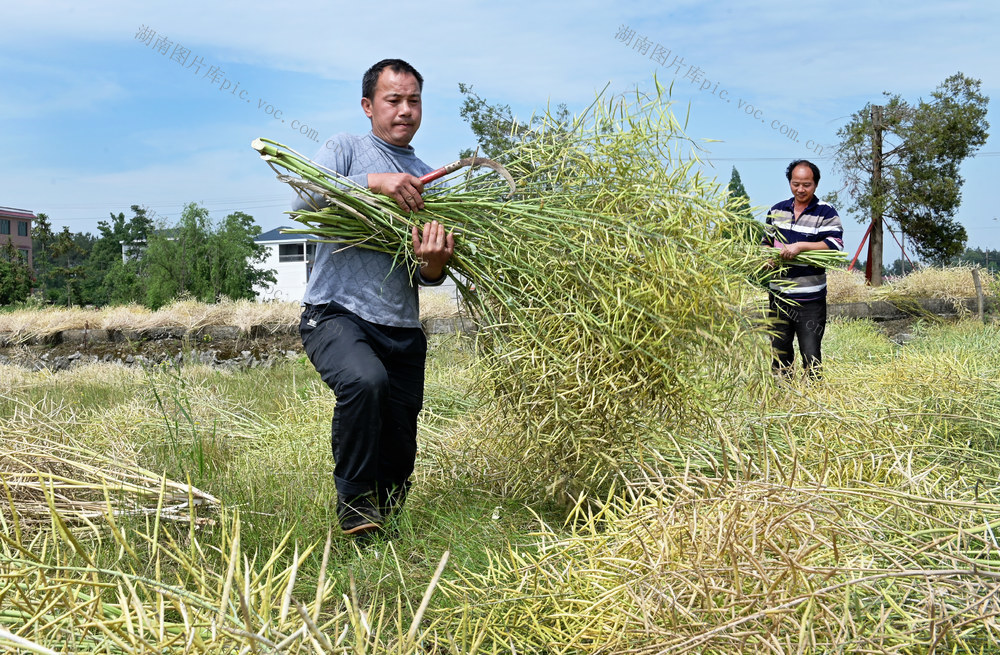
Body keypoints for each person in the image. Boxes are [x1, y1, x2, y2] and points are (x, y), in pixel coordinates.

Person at [293, 59, 454, 536]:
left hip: (401, 328)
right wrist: (374, 182)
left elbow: (428, 278)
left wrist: (434, 261)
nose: (405, 110)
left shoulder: (429, 179)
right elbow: (304, 194)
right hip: (334, 312)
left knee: (401, 440)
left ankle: (382, 533)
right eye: (393, 100)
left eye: (414, 101)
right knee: (365, 382)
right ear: (368, 106)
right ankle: (356, 510)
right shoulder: (345, 149)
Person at [763, 160, 843, 378]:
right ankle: (783, 396)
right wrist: (767, 258)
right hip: (779, 296)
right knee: (780, 352)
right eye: (795, 184)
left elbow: (835, 245)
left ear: (815, 184)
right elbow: (765, 243)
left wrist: (800, 247)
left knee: (811, 354)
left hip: (810, 300)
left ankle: (813, 399)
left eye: (806, 184)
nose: (800, 189)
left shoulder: (826, 212)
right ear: (789, 182)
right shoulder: (776, 210)